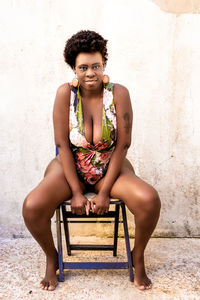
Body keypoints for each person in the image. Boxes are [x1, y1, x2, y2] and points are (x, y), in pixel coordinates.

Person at [22, 30, 161, 291]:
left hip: (111, 166)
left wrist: (105, 191)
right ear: (73, 68)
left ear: (104, 65)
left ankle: (138, 256)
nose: (90, 73)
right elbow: (62, 144)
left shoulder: (118, 93)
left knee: (149, 200)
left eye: (96, 66)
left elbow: (123, 144)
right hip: (69, 167)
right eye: (83, 67)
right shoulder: (65, 94)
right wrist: (76, 192)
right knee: (32, 206)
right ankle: (52, 257)